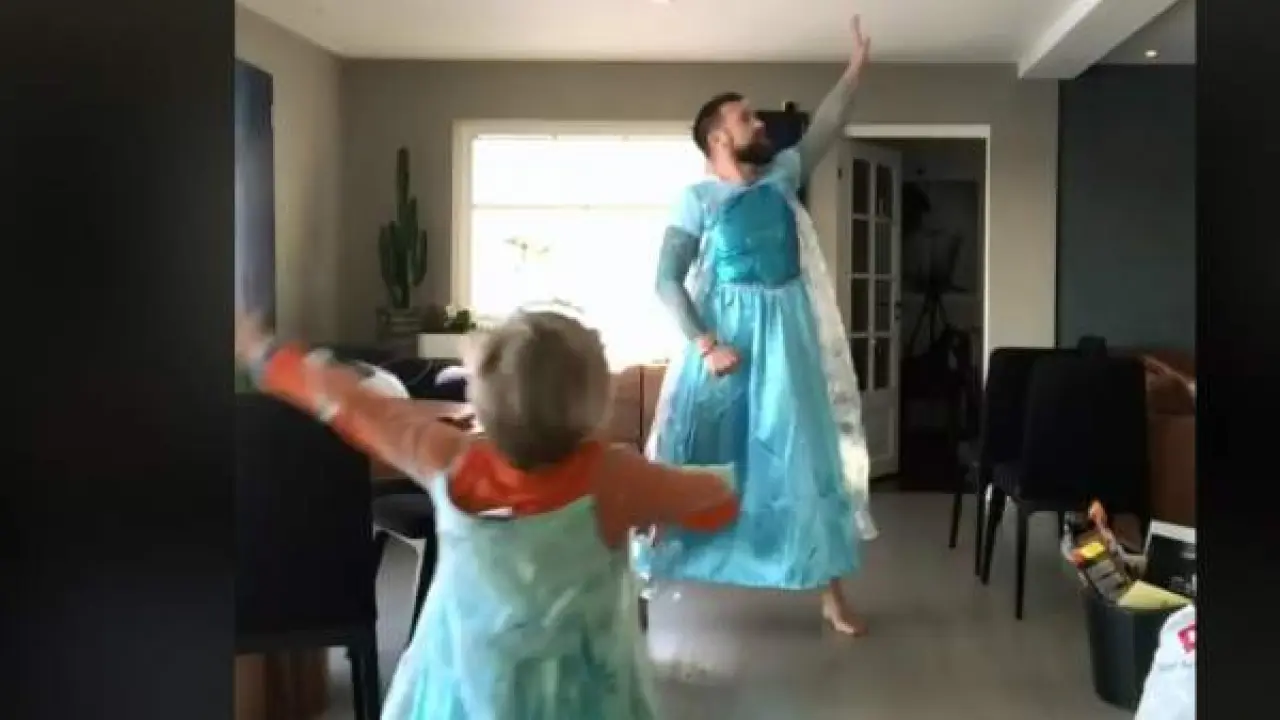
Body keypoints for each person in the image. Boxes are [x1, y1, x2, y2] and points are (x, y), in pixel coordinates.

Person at [235, 308, 740, 719]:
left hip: (467, 685)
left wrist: (267, 357)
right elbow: (716, 503)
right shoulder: (615, 479)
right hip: (578, 695)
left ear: (481, 397)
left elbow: (354, 405)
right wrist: (675, 502)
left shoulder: (449, 459)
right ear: (596, 402)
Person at [633, 15, 878, 636]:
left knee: (804, 457)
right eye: (747, 118)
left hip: (786, 341)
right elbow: (667, 280)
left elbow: (826, 126)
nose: (760, 123)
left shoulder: (783, 175)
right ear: (719, 138)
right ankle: (641, 586)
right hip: (724, 344)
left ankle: (830, 594)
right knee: (691, 453)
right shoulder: (696, 200)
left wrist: (855, 70)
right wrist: (706, 344)